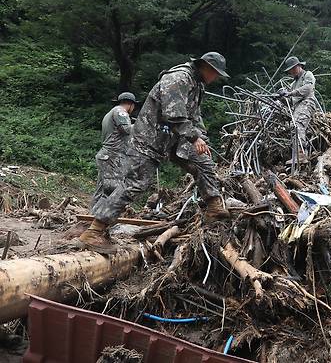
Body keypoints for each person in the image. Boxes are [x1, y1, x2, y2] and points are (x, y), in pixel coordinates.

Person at [78, 52, 230, 253]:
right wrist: (194, 138)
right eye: (216, 73)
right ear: (206, 68)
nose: (216, 78)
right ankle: (95, 230)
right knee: (135, 184)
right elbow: (173, 114)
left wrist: (201, 138)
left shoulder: (196, 85)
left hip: (172, 138)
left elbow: (194, 117)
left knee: (202, 160)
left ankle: (214, 208)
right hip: (149, 139)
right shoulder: (178, 78)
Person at [90, 92, 137, 208]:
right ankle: (105, 217)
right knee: (114, 188)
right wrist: (141, 124)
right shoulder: (120, 111)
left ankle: (93, 214)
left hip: (107, 155)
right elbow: (126, 129)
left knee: (102, 189)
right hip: (113, 156)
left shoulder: (111, 112)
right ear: (131, 104)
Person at [276, 56, 319, 164]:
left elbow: (308, 89)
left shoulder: (307, 74)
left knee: (298, 124)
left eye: (294, 69)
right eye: (290, 70)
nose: (292, 72)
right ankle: (296, 154)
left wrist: (290, 93)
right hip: (297, 107)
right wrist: (282, 98)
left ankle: (300, 154)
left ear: (299, 66)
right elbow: (290, 102)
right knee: (293, 126)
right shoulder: (293, 84)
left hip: (307, 102)